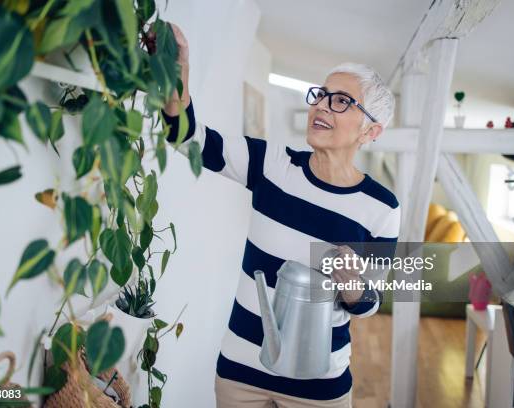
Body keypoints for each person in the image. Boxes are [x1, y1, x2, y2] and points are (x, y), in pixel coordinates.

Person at [162, 23, 400, 408]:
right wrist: (178, 73)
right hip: (241, 372)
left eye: (341, 101)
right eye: (321, 95)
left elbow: (372, 303)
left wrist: (353, 287)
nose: (321, 105)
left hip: (318, 386)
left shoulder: (382, 207)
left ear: (371, 131)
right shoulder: (274, 164)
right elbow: (187, 139)